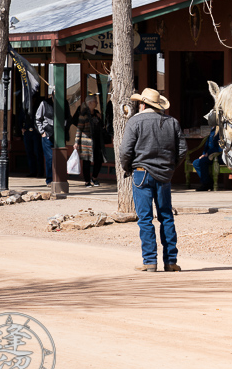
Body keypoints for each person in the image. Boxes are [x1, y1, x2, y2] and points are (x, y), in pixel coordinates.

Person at [118, 88, 186, 273]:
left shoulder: (135, 121)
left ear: (142, 104)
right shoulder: (172, 122)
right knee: (166, 217)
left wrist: (127, 168)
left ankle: (149, 262)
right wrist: (170, 168)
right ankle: (171, 261)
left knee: (145, 219)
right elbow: (182, 151)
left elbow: (125, 151)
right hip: (164, 175)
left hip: (141, 173)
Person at [74, 95, 102, 187]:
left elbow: (101, 126)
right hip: (86, 142)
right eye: (95, 101)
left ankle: (94, 178)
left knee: (99, 159)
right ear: (90, 103)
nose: (97, 103)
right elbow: (79, 129)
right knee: (86, 161)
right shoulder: (83, 115)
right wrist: (76, 142)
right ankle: (87, 181)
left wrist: (100, 118)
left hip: (97, 140)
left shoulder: (97, 113)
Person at [35, 88, 55, 186]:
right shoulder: (45, 103)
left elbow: (68, 118)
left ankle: (59, 178)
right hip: (47, 135)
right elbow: (38, 118)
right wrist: (42, 132)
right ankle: (50, 180)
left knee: (60, 158)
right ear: (52, 96)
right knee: (50, 158)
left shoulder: (65, 103)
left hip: (59, 136)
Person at [20, 97, 43, 178]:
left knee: (37, 152)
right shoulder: (24, 109)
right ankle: (32, 171)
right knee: (29, 152)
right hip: (27, 133)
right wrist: (21, 128)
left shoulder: (37, 108)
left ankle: (40, 172)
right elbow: (20, 120)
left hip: (36, 132)